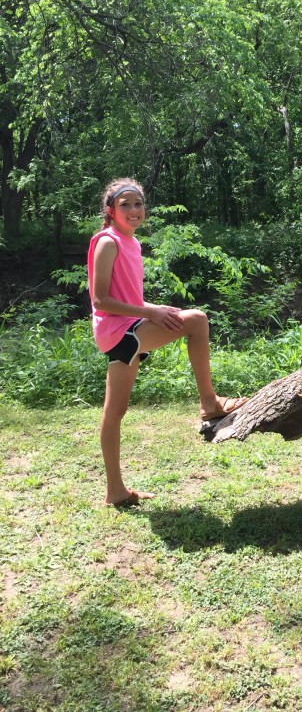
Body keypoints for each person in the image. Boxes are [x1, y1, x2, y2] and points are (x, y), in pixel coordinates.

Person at [88, 177, 246, 508]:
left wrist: (153, 310)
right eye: (125, 205)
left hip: (126, 329)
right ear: (110, 210)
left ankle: (115, 492)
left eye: (138, 204)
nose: (134, 210)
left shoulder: (131, 242)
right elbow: (100, 300)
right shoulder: (108, 242)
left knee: (115, 410)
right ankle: (210, 403)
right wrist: (151, 312)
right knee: (197, 320)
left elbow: (125, 297)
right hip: (118, 330)